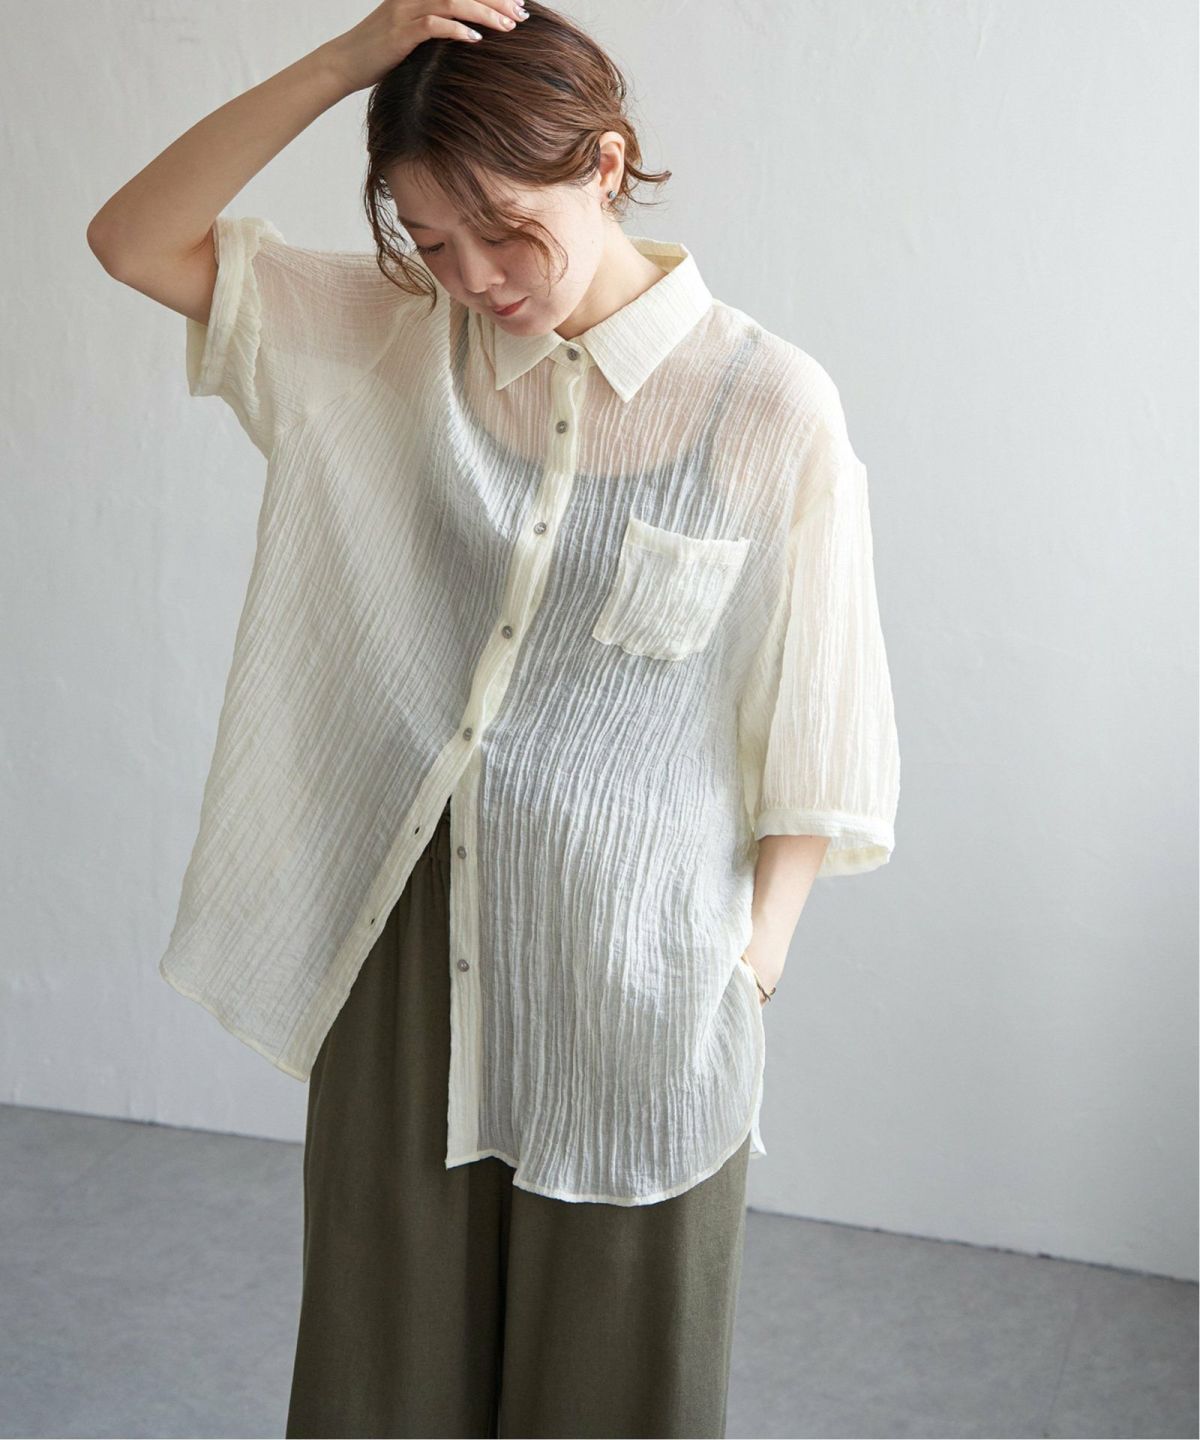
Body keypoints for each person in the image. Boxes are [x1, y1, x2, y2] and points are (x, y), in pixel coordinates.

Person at [87, 2, 901, 1435]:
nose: (475, 278)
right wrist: (351, 60)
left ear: (607, 163)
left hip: (640, 977)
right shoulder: (396, 340)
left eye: (507, 232)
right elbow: (133, 239)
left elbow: (819, 716)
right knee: (382, 1387)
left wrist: (751, 965)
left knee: (617, 1394)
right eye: (431, 240)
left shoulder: (766, 405)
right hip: (412, 953)